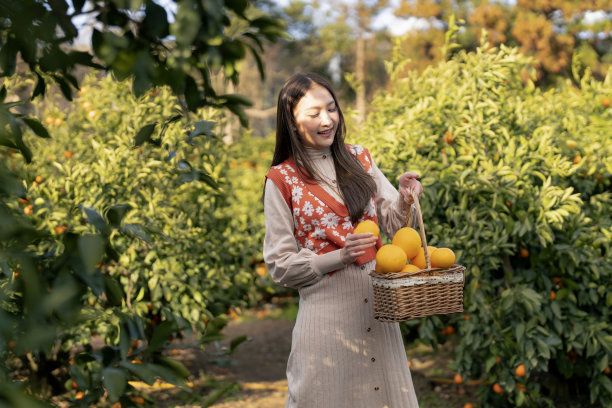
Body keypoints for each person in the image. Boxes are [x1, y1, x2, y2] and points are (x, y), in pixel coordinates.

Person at [263, 72, 422, 408]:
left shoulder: (359, 158)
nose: (327, 120)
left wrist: (406, 198)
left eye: (332, 109)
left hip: (378, 312)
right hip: (326, 321)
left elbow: (393, 223)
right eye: (313, 113)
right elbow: (280, 266)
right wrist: (340, 257)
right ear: (292, 123)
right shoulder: (282, 180)